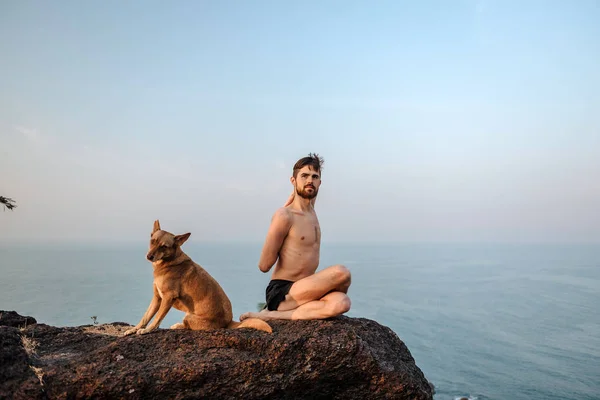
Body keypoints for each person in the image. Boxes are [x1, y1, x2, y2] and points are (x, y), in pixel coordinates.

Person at [240, 153, 352, 322]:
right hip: (283, 291)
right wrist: (277, 224)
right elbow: (263, 266)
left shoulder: (311, 211)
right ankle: (271, 312)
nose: (310, 180)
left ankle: (275, 316)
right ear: (293, 181)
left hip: (306, 291)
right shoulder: (284, 216)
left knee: (342, 303)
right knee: (342, 273)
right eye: (304, 176)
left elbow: (306, 199)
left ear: (320, 183)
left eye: (315, 177)